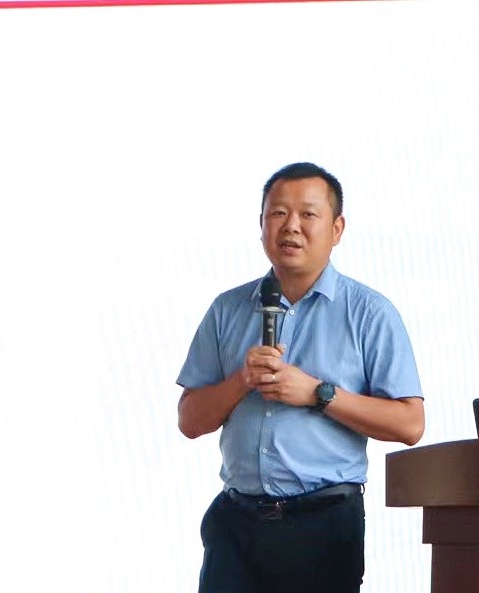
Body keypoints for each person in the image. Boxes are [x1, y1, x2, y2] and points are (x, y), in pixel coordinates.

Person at [176, 161, 425, 593]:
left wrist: (318, 394)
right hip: (236, 526)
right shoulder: (227, 309)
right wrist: (242, 380)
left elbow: (410, 424)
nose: (291, 226)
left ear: (337, 228)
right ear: (261, 224)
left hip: (323, 525)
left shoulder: (369, 313)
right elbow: (190, 421)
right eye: (278, 213)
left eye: (308, 214)